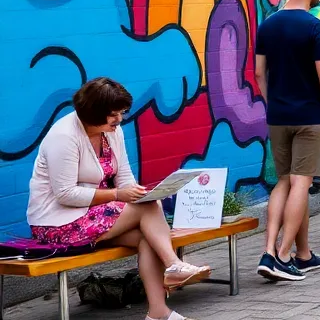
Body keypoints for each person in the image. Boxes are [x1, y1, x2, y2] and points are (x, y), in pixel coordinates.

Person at [27, 79, 209, 320]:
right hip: (56, 223)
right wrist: (117, 195)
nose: (120, 119)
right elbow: (66, 194)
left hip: (93, 217)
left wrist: (137, 192)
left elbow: (125, 178)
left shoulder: (113, 133)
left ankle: (159, 313)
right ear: (93, 113)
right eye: (114, 115)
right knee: (147, 208)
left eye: (122, 113)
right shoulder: (63, 136)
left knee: (148, 237)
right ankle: (173, 264)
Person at [255, 0, 320, 282]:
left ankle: (274, 250)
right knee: (301, 183)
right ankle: (282, 255)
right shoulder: (313, 26)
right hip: (308, 116)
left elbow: (258, 74)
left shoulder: (268, 25)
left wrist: (273, 103)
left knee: (283, 182)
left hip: (277, 117)